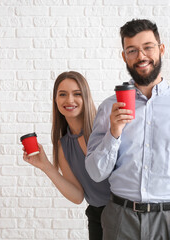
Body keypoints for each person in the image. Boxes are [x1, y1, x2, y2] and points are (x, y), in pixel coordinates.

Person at [85, 19, 170, 240]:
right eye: (132, 50)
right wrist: (114, 132)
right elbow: (95, 172)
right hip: (120, 219)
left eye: (148, 47)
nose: (141, 56)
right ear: (124, 56)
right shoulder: (109, 107)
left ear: (161, 49)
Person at [22, 71, 110, 240]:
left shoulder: (106, 129)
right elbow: (77, 196)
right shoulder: (63, 146)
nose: (69, 100)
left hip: (126, 214)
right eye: (63, 94)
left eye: (77, 94)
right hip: (98, 217)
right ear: (55, 100)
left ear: (85, 97)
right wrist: (46, 166)